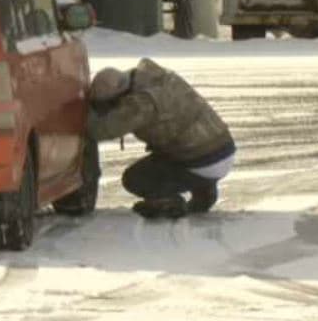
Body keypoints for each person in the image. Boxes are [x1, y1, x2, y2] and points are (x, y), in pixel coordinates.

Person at [87, 58, 236, 219]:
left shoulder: (142, 103)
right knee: (168, 151)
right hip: (223, 149)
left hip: (201, 161)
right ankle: (204, 188)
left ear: (118, 96)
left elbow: (100, 130)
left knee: (135, 178)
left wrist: (83, 113)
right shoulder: (158, 78)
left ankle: (168, 202)